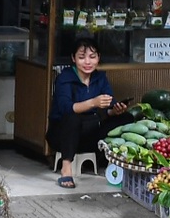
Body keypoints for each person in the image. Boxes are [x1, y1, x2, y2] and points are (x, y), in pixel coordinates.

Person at [51, 38, 126, 188]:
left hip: (90, 131)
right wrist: (93, 102)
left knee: (126, 118)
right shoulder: (64, 78)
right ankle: (66, 169)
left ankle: (117, 163)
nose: (87, 62)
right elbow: (66, 108)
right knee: (72, 118)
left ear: (98, 57)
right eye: (81, 57)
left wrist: (115, 110)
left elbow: (108, 106)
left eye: (92, 57)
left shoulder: (100, 78)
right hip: (63, 134)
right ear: (73, 58)